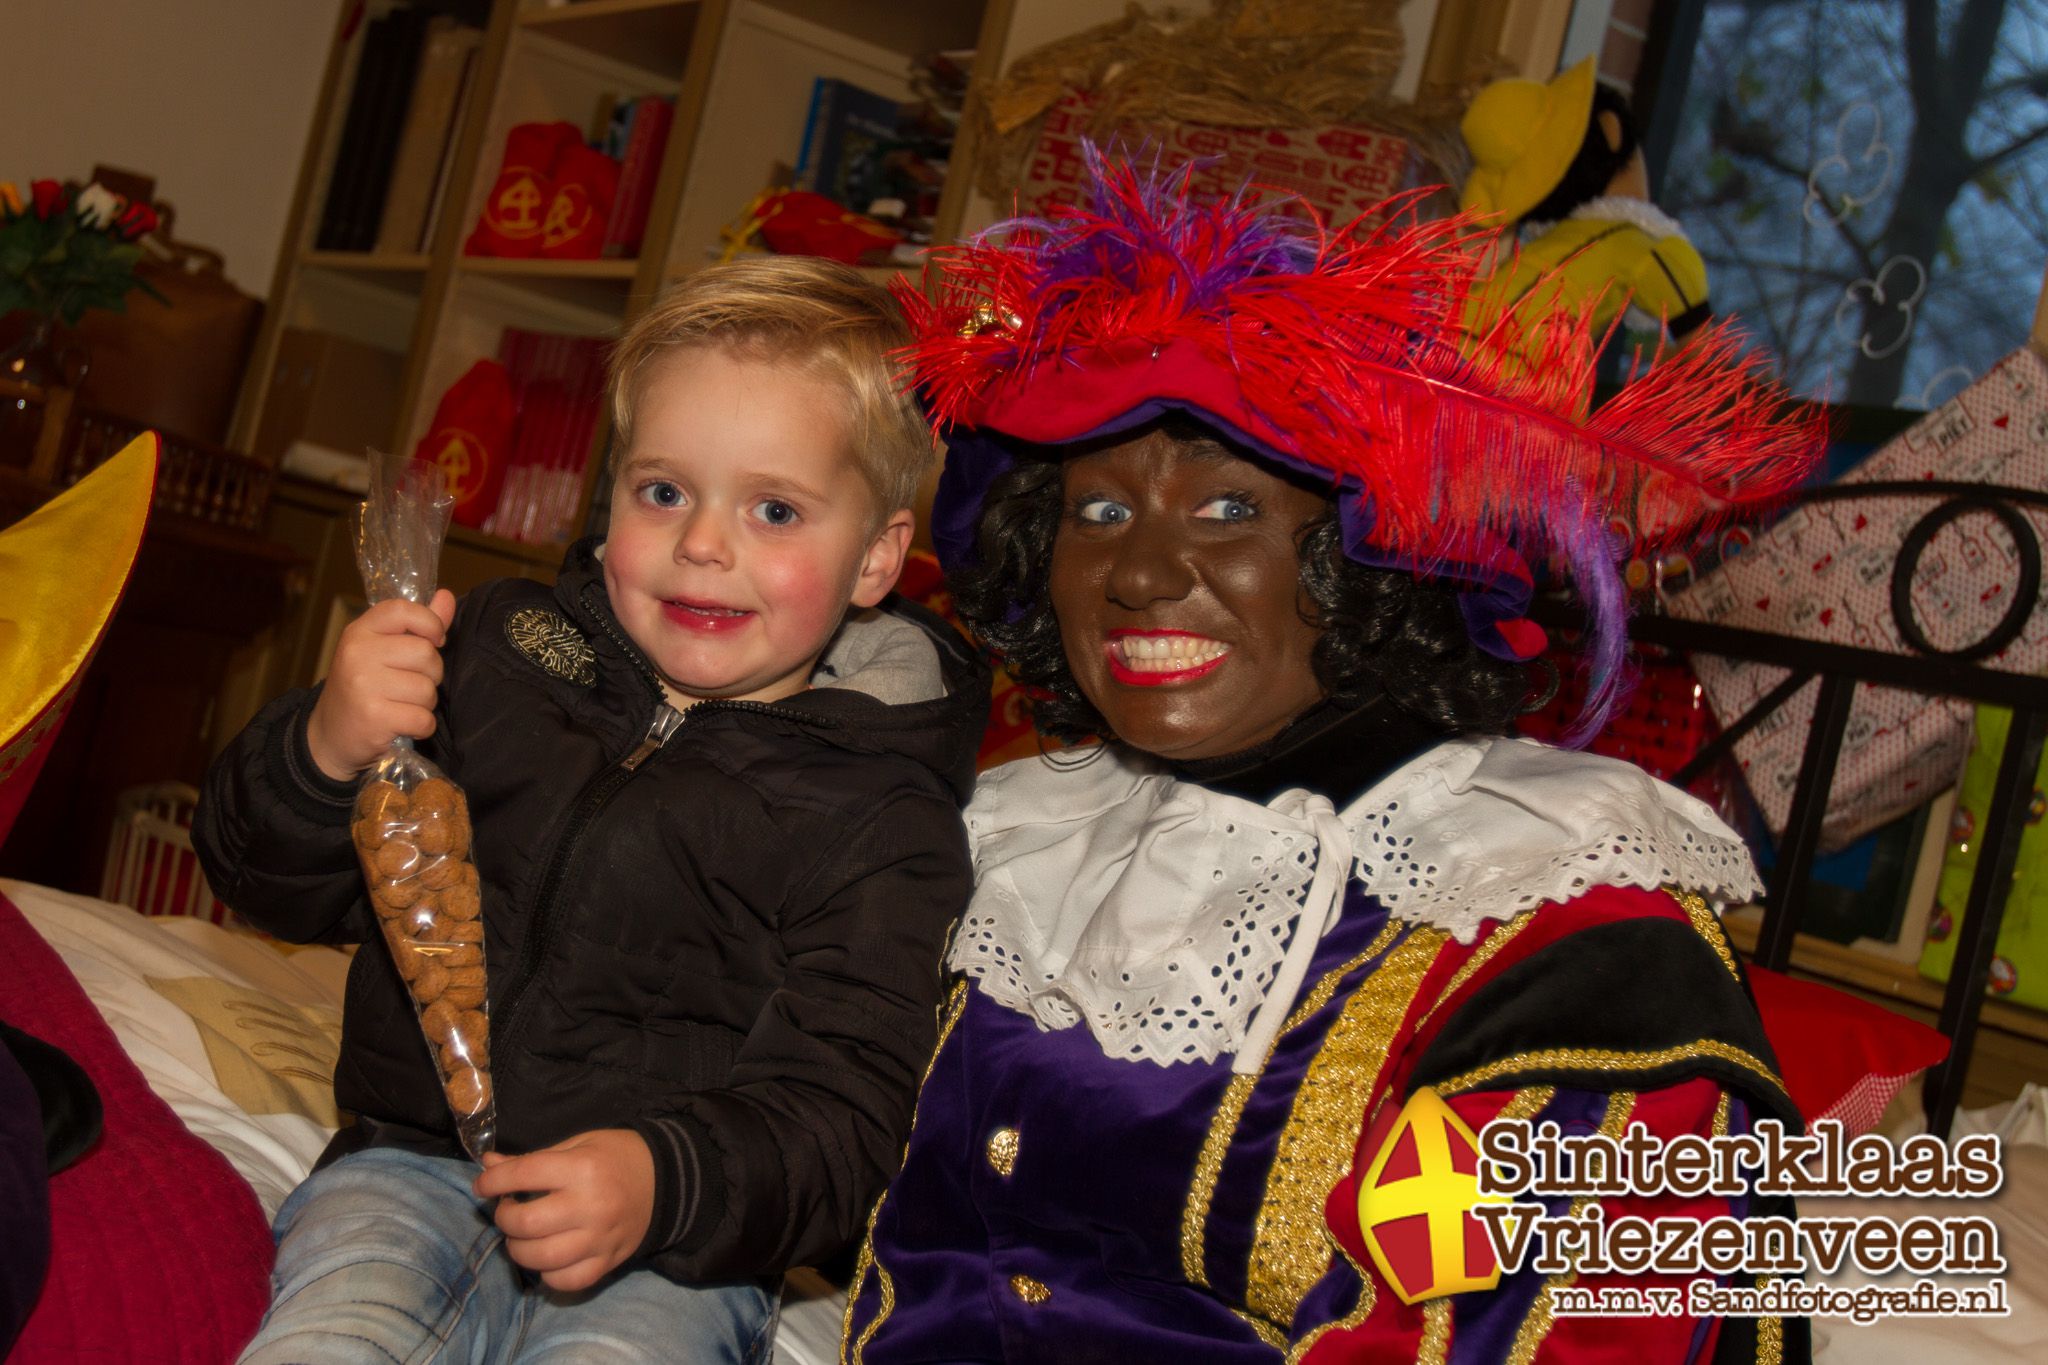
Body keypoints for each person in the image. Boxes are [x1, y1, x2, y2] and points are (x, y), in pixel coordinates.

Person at [839, 151, 1821, 1361]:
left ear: (1369, 563)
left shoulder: (1562, 936)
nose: (1138, 575)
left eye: (1226, 508)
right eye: (1096, 513)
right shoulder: (1012, 841)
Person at [194, 257, 989, 1363]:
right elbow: (270, 881)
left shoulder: (883, 817)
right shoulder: (497, 661)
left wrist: (664, 1177)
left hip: (677, 1246)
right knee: (334, 1337)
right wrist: (324, 746)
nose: (703, 544)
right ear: (608, 493)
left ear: (876, 560)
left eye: (773, 509)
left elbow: (851, 1114)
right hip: (408, 1165)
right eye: (663, 491)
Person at [1461, 57, 1711, 372]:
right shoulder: (1641, 241)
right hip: (1510, 378)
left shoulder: (1556, 245)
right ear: (1612, 130)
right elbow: (1702, 350)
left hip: (1449, 345)